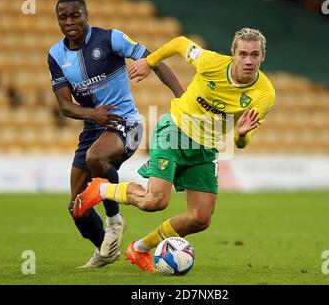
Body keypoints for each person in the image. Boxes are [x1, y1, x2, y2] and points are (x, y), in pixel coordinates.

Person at [72, 28, 275, 272]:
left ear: (263, 57)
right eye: (243, 54)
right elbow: (181, 43)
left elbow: (243, 141)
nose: (248, 61)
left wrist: (241, 134)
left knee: (200, 218)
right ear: (233, 54)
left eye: (255, 55)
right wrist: (149, 61)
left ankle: (139, 249)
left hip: (206, 148)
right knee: (155, 201)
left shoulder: (264, 93)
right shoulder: (210, 62)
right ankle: (101, 188)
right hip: (175, 130)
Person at [47, 0, 184, 268]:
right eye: (64, 17)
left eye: (75, 15)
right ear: (58, 21)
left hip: (127, 123)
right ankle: (105, 250)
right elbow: (64, 105)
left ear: (87, 14)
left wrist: (182, 98)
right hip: (92, 127)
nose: (70, 22)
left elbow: (154, 60)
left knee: (96, 158)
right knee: (77, 206)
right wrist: (91, 114)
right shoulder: (56, 55)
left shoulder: (110, 39)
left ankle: (114, 220)